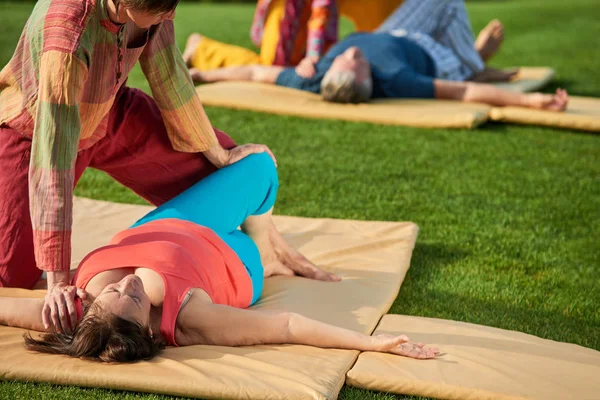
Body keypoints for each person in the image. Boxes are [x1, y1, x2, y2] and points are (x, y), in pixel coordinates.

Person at [0, 0, 327, 332]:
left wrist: (217, 152)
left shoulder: (155, 7)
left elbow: (170, 77)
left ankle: (267, 246)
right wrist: (57, 281)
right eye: (161, 10)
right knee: (11, 274)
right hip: (34, 131)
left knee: (223, 175)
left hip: (109, 114)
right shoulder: (67, 36)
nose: (170, 16)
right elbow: (53, 159)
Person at [0, 153, 439, 363]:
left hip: (169, 225)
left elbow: (5, 308)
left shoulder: (78, 313)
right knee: (263, 175)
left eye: (112, 290)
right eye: (132, 299)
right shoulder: (190, 318)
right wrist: (375, 343)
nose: (126, 285)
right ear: (147, 327)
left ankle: (259, 231)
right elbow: (287, 326)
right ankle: (267, 251)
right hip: (233, 258)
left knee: (259, 162)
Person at [189, 31, 568, 111]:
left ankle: (477, 61)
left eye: (344, 59)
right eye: (357, 61)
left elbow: (256, 73)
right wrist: (532, 100)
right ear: (370, 79)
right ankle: (473, 61)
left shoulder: (314, 76)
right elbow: (463, 95)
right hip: (430, 51)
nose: (352, 52)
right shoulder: (398, 81)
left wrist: (205, 76)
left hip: (393, 26)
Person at [182, 0, 338, 71]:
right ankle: (201, 49)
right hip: (287, 10)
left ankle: (203, 49)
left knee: (287, 67)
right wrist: (313, 55)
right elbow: (320, 12)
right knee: (273, 68)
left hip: (301, 12)